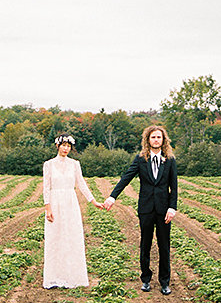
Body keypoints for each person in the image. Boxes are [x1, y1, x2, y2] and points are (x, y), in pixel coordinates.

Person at [103, 125, 177, 294]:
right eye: (153, 137)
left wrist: (172, 207)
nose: (156, 140)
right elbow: (126, 178)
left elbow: (174, 186)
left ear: (163, 140)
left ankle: (164, 282)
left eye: (159, 137)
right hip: (146, 209)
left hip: (164, 209)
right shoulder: (140, 159)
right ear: (148, 140)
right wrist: (112, 196)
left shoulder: (170, 160)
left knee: (164, 245)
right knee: (145, 244)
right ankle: (146, 279)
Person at [42, 134, 103, 288]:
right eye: (63, 145)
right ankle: (54, 277)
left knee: (71, 237)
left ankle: (72, 276)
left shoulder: (75, 164)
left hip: (70, 202)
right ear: (57, 146)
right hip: (55, 202)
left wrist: (93, 200)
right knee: (55, 238)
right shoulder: (48, 165)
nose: (66, 149)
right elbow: (46, 187)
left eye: (68, 146)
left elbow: (81, 184)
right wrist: (47, 207)